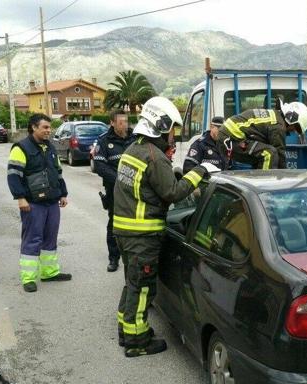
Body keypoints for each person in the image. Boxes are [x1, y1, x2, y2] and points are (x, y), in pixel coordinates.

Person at [113, 96, 209, 357]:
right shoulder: (155, 157)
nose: (172, 135)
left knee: (132, 283)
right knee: (143, 287)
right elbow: (173, 193)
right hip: (142, 234)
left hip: (124, 231)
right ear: (161, 125)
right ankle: (137, 342)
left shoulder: (133, 150)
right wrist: (199, 172)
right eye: (171, 129)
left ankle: (126, 328)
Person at [7, 113, 72, 293]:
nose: (48, 131)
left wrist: (63, 193)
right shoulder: (20, 148)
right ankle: (28, 278)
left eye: (49, 128)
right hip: (32, 203)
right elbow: (13, 175)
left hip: (51, 201)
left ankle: (50, 272)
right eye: (45, 127)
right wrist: (20, 198)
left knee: (50, 237)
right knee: (32, 239)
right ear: (34, 127)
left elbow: (57, 172)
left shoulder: (49, 147)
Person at [93, 109, 134, 272]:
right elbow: (99, 166)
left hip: (135, 190)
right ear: (112, 123)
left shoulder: (135, 138)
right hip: (115, 190)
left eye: (126, 121)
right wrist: (120, 180)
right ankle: (114, 258)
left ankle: (131, 255)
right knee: (115, 223)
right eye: (120, 122)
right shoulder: (103, 141)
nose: (124, 125)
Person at [217, 101, 307, 169]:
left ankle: (256, 182)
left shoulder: (275, 116)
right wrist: (283, 177)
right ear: (292, 119)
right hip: (230, 138)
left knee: (260, 155)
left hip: (228, 137)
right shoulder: (278, 126)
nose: (294, 131)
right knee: (269, 153)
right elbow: (279, 152)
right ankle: (265, 184)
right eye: (296, 127)